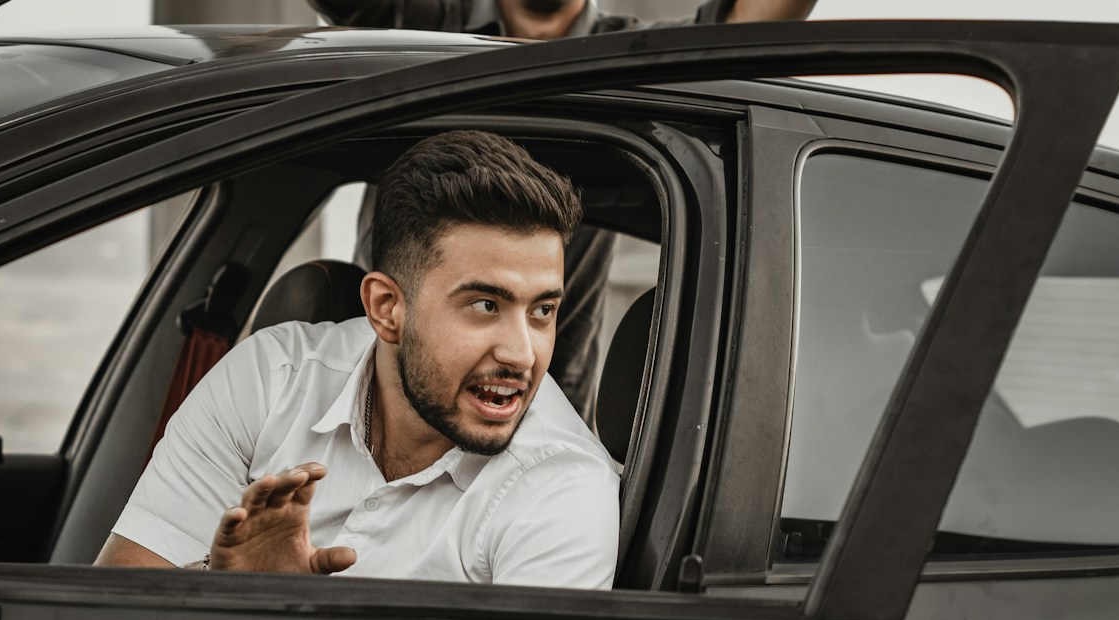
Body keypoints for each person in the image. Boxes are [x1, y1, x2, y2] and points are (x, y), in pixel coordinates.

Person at [95, 130, 620, 589]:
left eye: (543, 310)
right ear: (386, 307)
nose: (522, 354)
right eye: (486, 306)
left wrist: (269, 616)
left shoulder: (562, 485)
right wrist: (222, 586)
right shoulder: (271, 378)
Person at [311, 0, 818, 420]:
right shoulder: (421, 21)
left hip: (530, 409)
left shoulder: (635, 57)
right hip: (382, 393)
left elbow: (748, 27)